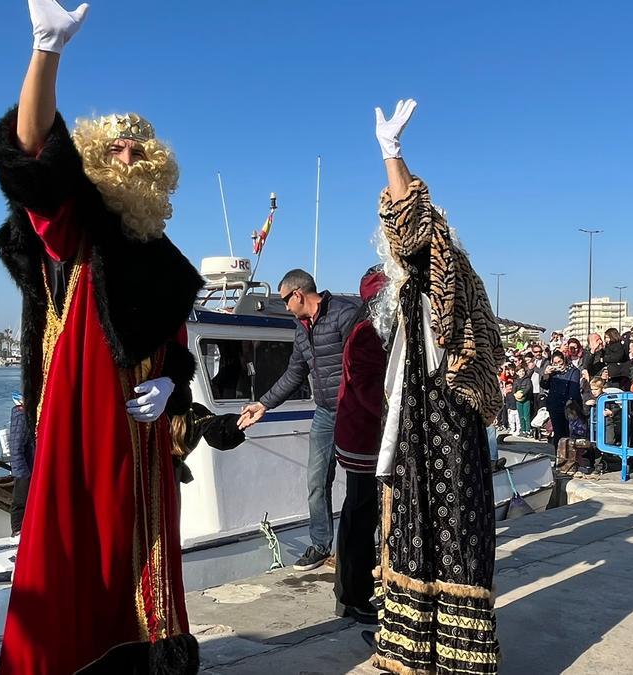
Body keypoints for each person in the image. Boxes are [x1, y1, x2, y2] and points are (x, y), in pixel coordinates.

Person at [0, 3, 244, 671]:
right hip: (81, 431)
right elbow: (34, 156)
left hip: (142, 445)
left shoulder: (161, 253)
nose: (127, 156)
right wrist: (47, 51)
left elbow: (179, 343)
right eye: (114, 147)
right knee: (75, 570)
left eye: (138, 149)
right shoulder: (76, 224)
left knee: (142, 583)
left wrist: (171, 381)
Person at [370, 98, 503, 673]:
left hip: (445, 419)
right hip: (421, 424)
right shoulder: (423, 281)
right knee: (415, 533)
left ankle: (453, 660)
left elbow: (413, 228)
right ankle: (414, 651)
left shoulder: (441, 265)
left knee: (451, 537)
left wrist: (392, 157)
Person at [238, 269, 360, 571]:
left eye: (284, 300)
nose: (285, 307)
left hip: (355, 412)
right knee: (316, 480)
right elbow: (295, 372)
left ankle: (359, 549)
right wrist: (264, 404)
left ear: (298, 294)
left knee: (362, 482)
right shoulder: (300, 328)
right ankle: (320, 545)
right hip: (325, 413)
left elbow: (364, 365)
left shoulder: (346, 315)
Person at [332, 267, 390, 625]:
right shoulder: (368, 332)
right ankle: (354, 594)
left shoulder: (363, 327)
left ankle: (351, 591)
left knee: (359, 513)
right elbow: (372, 388)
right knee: (360, 514)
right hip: (364, 437)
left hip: (361, 435)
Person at [5, 392, 35, 536]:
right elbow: (16, 447)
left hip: (31, 467)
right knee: (21, 501)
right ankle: (18, 532)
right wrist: (23, 473)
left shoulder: (28, 415)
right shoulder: (22, 415)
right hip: (26, 469)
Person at [541, 351, 583, 447]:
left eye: (560, 362)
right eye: (555, 363)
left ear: (564, 360)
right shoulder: (553, 373)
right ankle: (558, 457)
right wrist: (546, 374)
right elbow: (544, 385)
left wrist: (571, 404)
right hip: (555, 406)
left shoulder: (573, 371)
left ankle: (570, 457)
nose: (558, 365)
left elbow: (574, 389)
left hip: (568, 406)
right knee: (558, 434)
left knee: (569, 433)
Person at [512, 364, 534, 437]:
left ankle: (528, 430)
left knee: (526, 415)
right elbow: (513, 389)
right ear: (517, 373)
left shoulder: (528, 380)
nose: (522, 372)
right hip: (518, 400)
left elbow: (528, 388)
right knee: (521, 415)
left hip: (526, 399)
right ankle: (523, 429)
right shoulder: (516, 381)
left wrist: (522, 394)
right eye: (520, 371)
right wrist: (515, 394)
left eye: (523, 371)